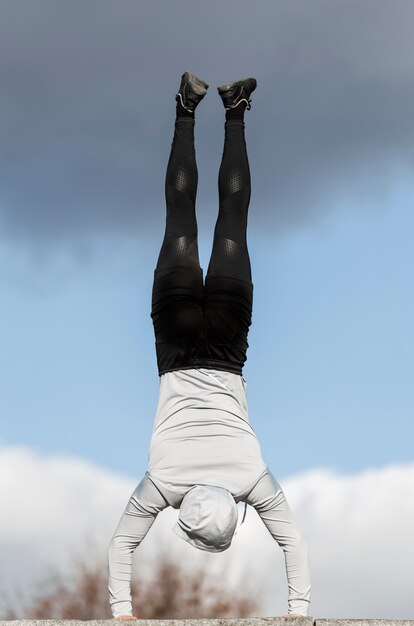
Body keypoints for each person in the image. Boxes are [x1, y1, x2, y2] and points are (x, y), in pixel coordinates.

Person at [108, 72, 311, 619]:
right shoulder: (163, 482)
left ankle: (236, 109)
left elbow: (292, 540)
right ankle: (185, 107)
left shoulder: (251, 476)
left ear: (236, 508)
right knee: (179, 223)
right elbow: (121, 545)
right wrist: (121, 611)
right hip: (174, 341)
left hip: (226, 336)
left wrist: (299, 610)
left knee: (232, 225)